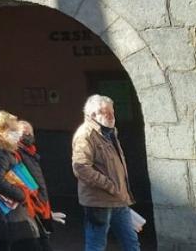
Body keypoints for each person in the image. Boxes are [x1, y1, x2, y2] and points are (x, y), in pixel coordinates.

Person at [72, 95, 140, 251]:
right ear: (93, 115)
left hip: (119, 198)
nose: (112, 115)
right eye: (106, 112)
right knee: (96, 245)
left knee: (131, 242)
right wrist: (109, 185)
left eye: (112, 111)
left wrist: (119, 190)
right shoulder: (85, 134)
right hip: (99, 201)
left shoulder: (109, 132)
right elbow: (81, 167)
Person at [0, 110, 43, 251]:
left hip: (5, 211)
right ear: (3, 131)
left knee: (2, 245)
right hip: (6, 210)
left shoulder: (0, 150)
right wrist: (21, 195)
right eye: (14, 130)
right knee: (28, 244)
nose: (19, 134)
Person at [17, 120, 64, 251]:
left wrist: (47, 212)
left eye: (29, 132)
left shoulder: (30, 154)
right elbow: (29, 188)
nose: (27, 135)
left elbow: (37, 187)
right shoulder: (17, 154)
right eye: (23, 132)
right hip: (27, 213)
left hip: (35, 212)